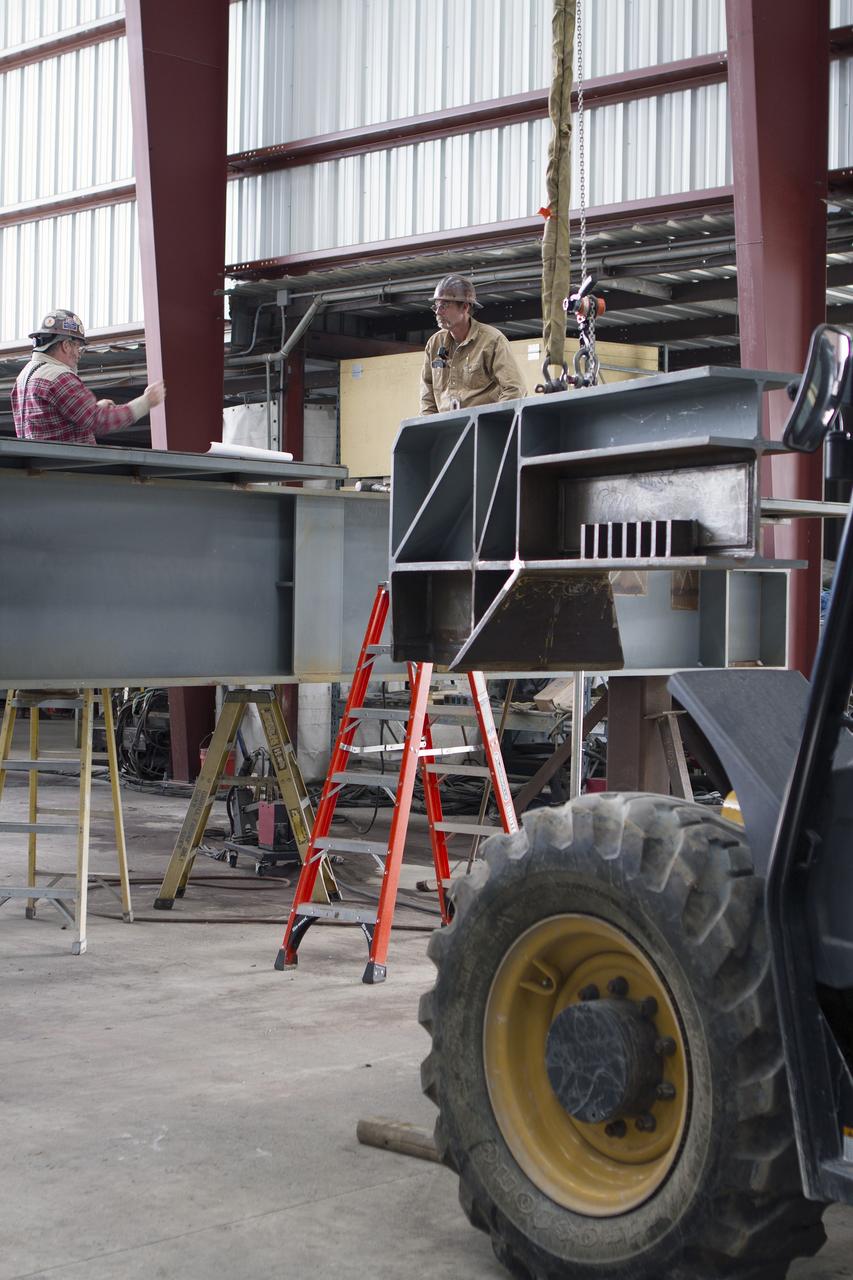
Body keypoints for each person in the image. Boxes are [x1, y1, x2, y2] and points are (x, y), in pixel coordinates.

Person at [12, 309, 166, 445]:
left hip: (39, 467)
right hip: (67, 471)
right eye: (78, 347)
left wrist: (94, 408)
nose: (79, 353)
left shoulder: (22, 378)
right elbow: (99, 421)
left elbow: (49, 420)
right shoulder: (60, 377)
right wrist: (146, 402)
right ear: (66, 345)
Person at [420, 275, 526, 415]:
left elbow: (514, 388)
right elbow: (427, 395)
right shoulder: (434, 344)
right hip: (446, 429)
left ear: (464, 307)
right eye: (436, 306)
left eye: (444, 305)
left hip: (481, 429)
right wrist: (431, 428)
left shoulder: (492, 340)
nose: (438, 312)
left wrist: (493, 422)